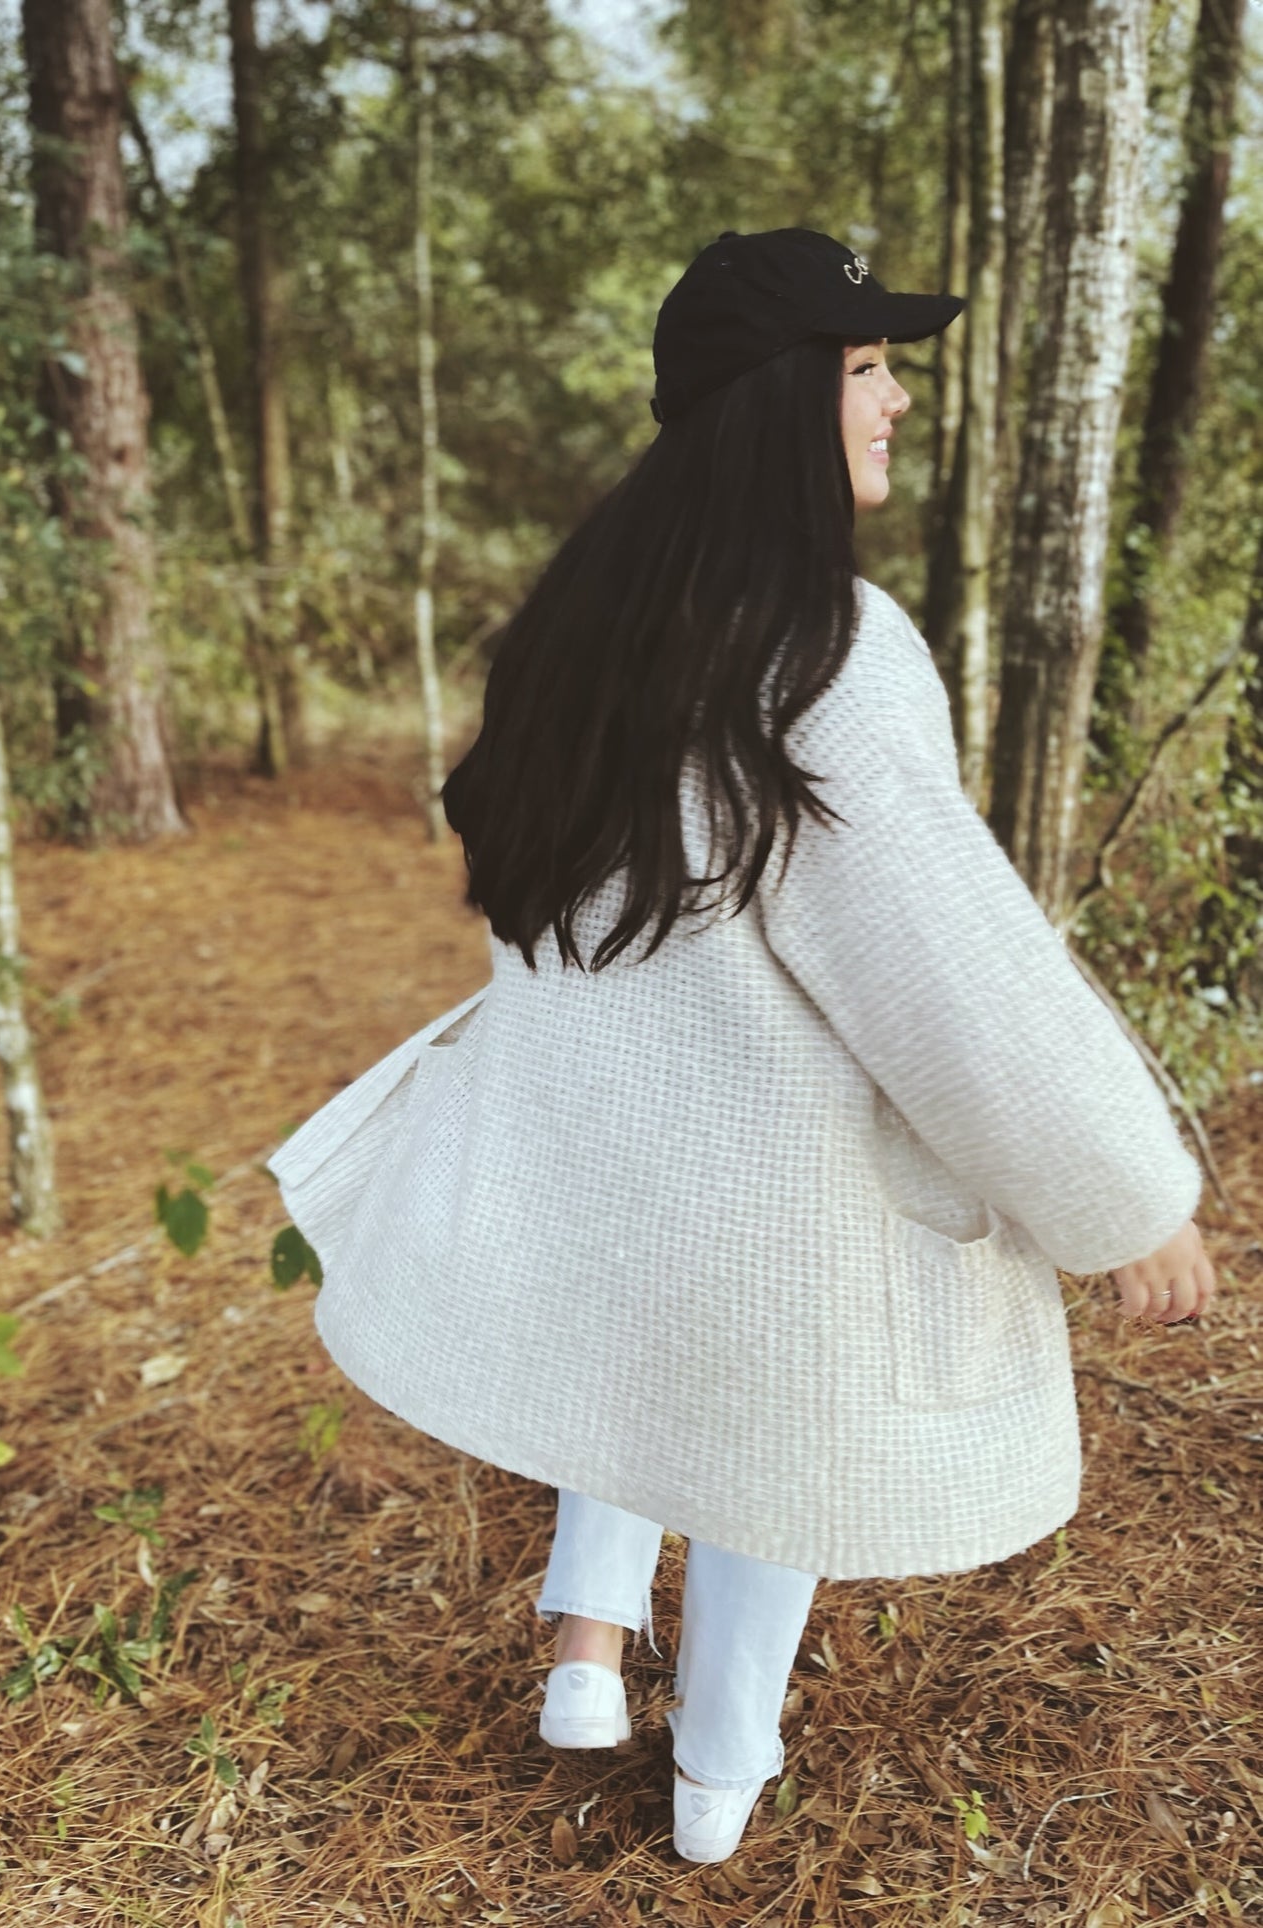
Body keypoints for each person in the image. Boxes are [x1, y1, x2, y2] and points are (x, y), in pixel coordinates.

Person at [267, 226, 1218, 1865]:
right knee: (782, 1423)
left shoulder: (587, 625)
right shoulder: (824, 655)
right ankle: (712, 1780)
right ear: (780, 401)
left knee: (634, 1369)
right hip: (767, 1182)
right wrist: (1125, 1196)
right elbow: (954, 976)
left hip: (609, 1147)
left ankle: (584, 1661)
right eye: (866, 369)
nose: (899, 400)